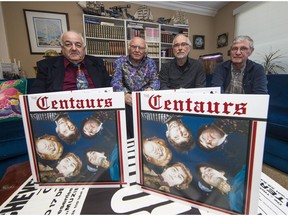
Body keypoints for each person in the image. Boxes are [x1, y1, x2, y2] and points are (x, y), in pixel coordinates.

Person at [30, 30, 111, 93]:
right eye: (68, 44)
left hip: (97, 108)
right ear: (62, 47)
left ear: (84, 48)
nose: (74, 48)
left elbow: (109, 86)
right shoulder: (46, 66)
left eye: (78, 45)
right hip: (62, 110)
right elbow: (36, 93)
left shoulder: (97, 63)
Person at [111, 37, 160, 138]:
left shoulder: (150, 62)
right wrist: (125, 95)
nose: (137, 50)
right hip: (128, 98)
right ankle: (131, 141)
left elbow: (155, 80)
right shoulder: (120, 61)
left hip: (145, 97)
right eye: (134, 47)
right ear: (129, 48)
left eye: (141, 48)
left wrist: (151, 89)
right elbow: (115, 82)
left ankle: (147, 139)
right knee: (128, 116)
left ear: (145, 50)